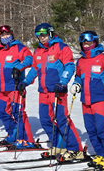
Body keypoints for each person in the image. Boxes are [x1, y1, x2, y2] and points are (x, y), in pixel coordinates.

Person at [18, 23, 84, 160]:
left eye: (44, 34)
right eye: (39, 36)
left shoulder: (61, 48)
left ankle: (75, 148)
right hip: (43, 92)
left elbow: (70, 66)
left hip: (57, 91)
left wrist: (63, 82)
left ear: (51, 33)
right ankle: (58, 145)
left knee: (61, 119)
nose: (42, 38)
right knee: (45, 119)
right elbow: (35, 69)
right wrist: (25, 81)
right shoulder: (38, 51)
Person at [70, 30, 104, 169]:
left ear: (96, 42)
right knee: (91, 129)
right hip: (85, 101)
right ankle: (101, 154)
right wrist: (76, 84)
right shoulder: (81, 61)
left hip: (101, 99)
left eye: (90, 41)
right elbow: (79, 76)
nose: (86, 44)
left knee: (101, 128)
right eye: (84, 42)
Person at [0, 25, 34, 149]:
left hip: (15, 87)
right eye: (2, 35)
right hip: (3, 89)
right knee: (2, 112)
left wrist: (18, 68)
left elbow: (29, 59)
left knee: (18, 113)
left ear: (12, 34)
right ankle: (14, 134)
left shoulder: (19, 48)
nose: (5, 37)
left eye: (7, 34)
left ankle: (27, 139)